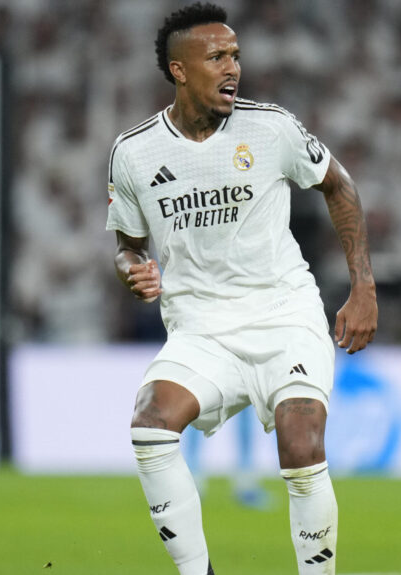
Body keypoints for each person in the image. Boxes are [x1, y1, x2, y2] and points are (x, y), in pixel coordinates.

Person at [105, 3, 377, 574]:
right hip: (201, 327)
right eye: (216, 57)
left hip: (284, 314)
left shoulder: (270, 126)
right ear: (179, 70)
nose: (232, 67)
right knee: (149, 425)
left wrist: (363, 285)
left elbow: (339, 184)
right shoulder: (133, 153)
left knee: (301, 445)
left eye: (236, 55)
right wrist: (133, 268)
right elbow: (129, 244)